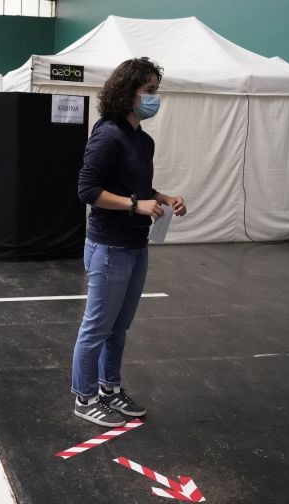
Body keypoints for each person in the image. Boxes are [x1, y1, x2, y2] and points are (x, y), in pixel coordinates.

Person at [71, 58, 187, 427]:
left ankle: (110, 388)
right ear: (128, 93)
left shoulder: (142, 140)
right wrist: (137, 205)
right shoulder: (108, 134)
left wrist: (164, 198)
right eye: (149, 91)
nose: (155, 98)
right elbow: (88, 190)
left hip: (136, 245)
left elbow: (136, 189)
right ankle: (84, 396)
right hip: (109, 246)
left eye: (156, 90)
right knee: (97, 327)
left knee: (119, 326)